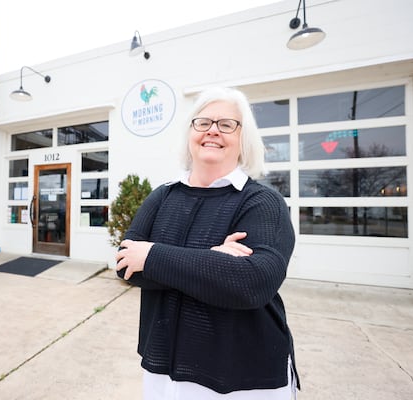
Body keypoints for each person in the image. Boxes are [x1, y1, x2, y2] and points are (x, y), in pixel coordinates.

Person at [115, 87, 299, 399]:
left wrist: (153, 256)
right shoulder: (163, 196)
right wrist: (212, 259)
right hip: (163, 371)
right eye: (203, 122)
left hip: (244, 378)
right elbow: (125, 265)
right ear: (191, 132)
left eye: (227, 124)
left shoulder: (261, 202)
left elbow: (253, 282)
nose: (213, 130)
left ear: (244, 139)